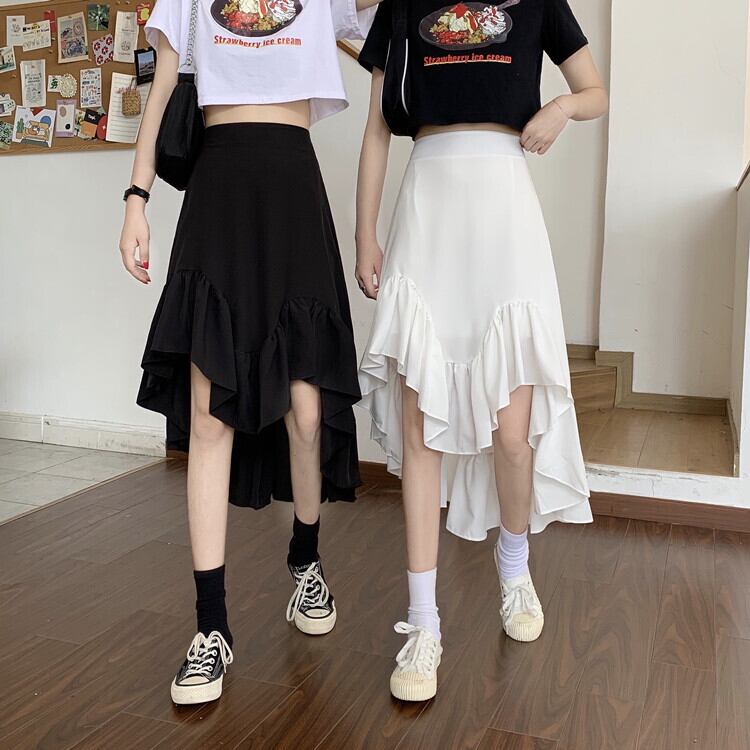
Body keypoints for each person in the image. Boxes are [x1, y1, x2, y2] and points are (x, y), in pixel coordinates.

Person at [118, 0, 380, 705]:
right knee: (209, 417)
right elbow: (163, 87)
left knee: (306, 412)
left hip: (293, 186)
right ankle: (211, 626)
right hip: (219, 191)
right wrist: (136, 198)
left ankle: (305, 560)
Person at [355, 0, 608, 701]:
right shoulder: (403, 4)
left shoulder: (538, 2)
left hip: (504, 210)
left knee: (512, 433)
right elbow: (377, 129)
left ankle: (514, 563)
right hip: (427, 207)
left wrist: (562, 108)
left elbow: (596, 91)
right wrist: (365, 232)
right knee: (420, 430)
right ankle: (423, 622)